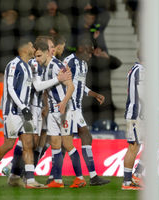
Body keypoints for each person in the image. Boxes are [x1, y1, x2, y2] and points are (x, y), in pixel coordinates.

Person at [3, 35, 71, 186]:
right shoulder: (34, 63)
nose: (53, 49)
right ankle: (14, 170)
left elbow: (46, 89)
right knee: (31, 141)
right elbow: (38, 86)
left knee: (41, 142)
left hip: (43, 108)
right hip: (32, 107)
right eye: (51, 46)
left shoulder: (51, 64)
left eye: (53, 46)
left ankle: (27, 173)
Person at [0, 38, 45, 189]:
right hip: (13, 112)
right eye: (31, 45)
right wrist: (23, 107)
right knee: (9, 144)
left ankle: (30, 181)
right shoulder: (13, 64)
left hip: (26, 112)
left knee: (28, 144)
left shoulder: (29, 67)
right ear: (23, 48)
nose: (33, 47)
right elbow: (10, 88)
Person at [34, 39, 86, 188]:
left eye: (38, 56)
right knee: (55, 145)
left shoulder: (58, 65)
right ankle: (57, 180)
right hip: (52, 112)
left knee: (68, 144)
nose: (37, 59)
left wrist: (63, 103)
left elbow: (71, 87)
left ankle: (80, 178)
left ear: (45, 53)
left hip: (64, 111)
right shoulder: (43, 68)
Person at [62, 38, 110, 186]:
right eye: (89, 51)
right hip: (67, 108)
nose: (91, 55)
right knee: (55, 142)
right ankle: (23, 170)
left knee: (81, 138)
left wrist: (94, 94)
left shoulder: (83, 64)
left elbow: (79, 85)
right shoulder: (68, 62)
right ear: (81, 48)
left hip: (76, 108)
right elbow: (61, 83)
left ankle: (92, 176)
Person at [121, 60, 145, 190]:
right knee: (133, 146)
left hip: (138, 115)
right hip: (136, 115)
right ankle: (127, 181)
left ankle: (137, 174)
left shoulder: (134, 68)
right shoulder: (141, 70)